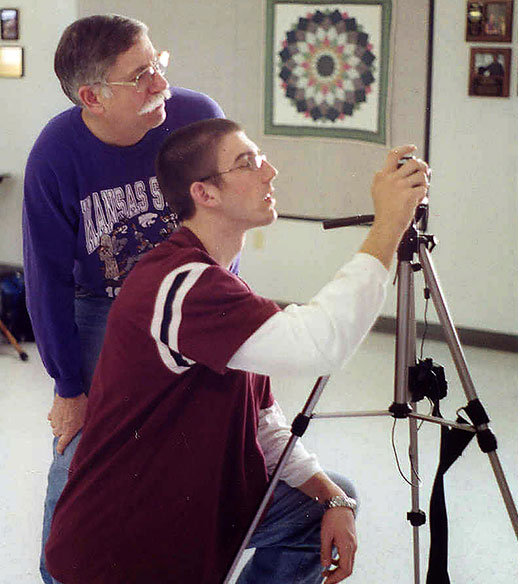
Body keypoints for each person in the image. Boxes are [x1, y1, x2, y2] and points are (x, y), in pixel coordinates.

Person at [45, 118, 430, 584]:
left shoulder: (221, 284)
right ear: (204, 194)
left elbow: (263, 421)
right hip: (119, 551)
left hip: (186, 507)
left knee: (328, 501)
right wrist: (389, 225)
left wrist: (332, 498)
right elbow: (320, 345)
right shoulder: (180, 285)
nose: (269, 172)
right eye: (247, 163)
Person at [22, 14, 226, 584]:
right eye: (141, 76)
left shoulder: (195, 118)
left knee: (203, 443)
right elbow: (45, 280)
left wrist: (218, 311)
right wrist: (69, 385)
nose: (160, 83)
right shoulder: (56, 154)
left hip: (189, 300)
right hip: (102, 307)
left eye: (158, 64)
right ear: (92, 96)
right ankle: (58, 574)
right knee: (81, 454)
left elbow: (227, 221)